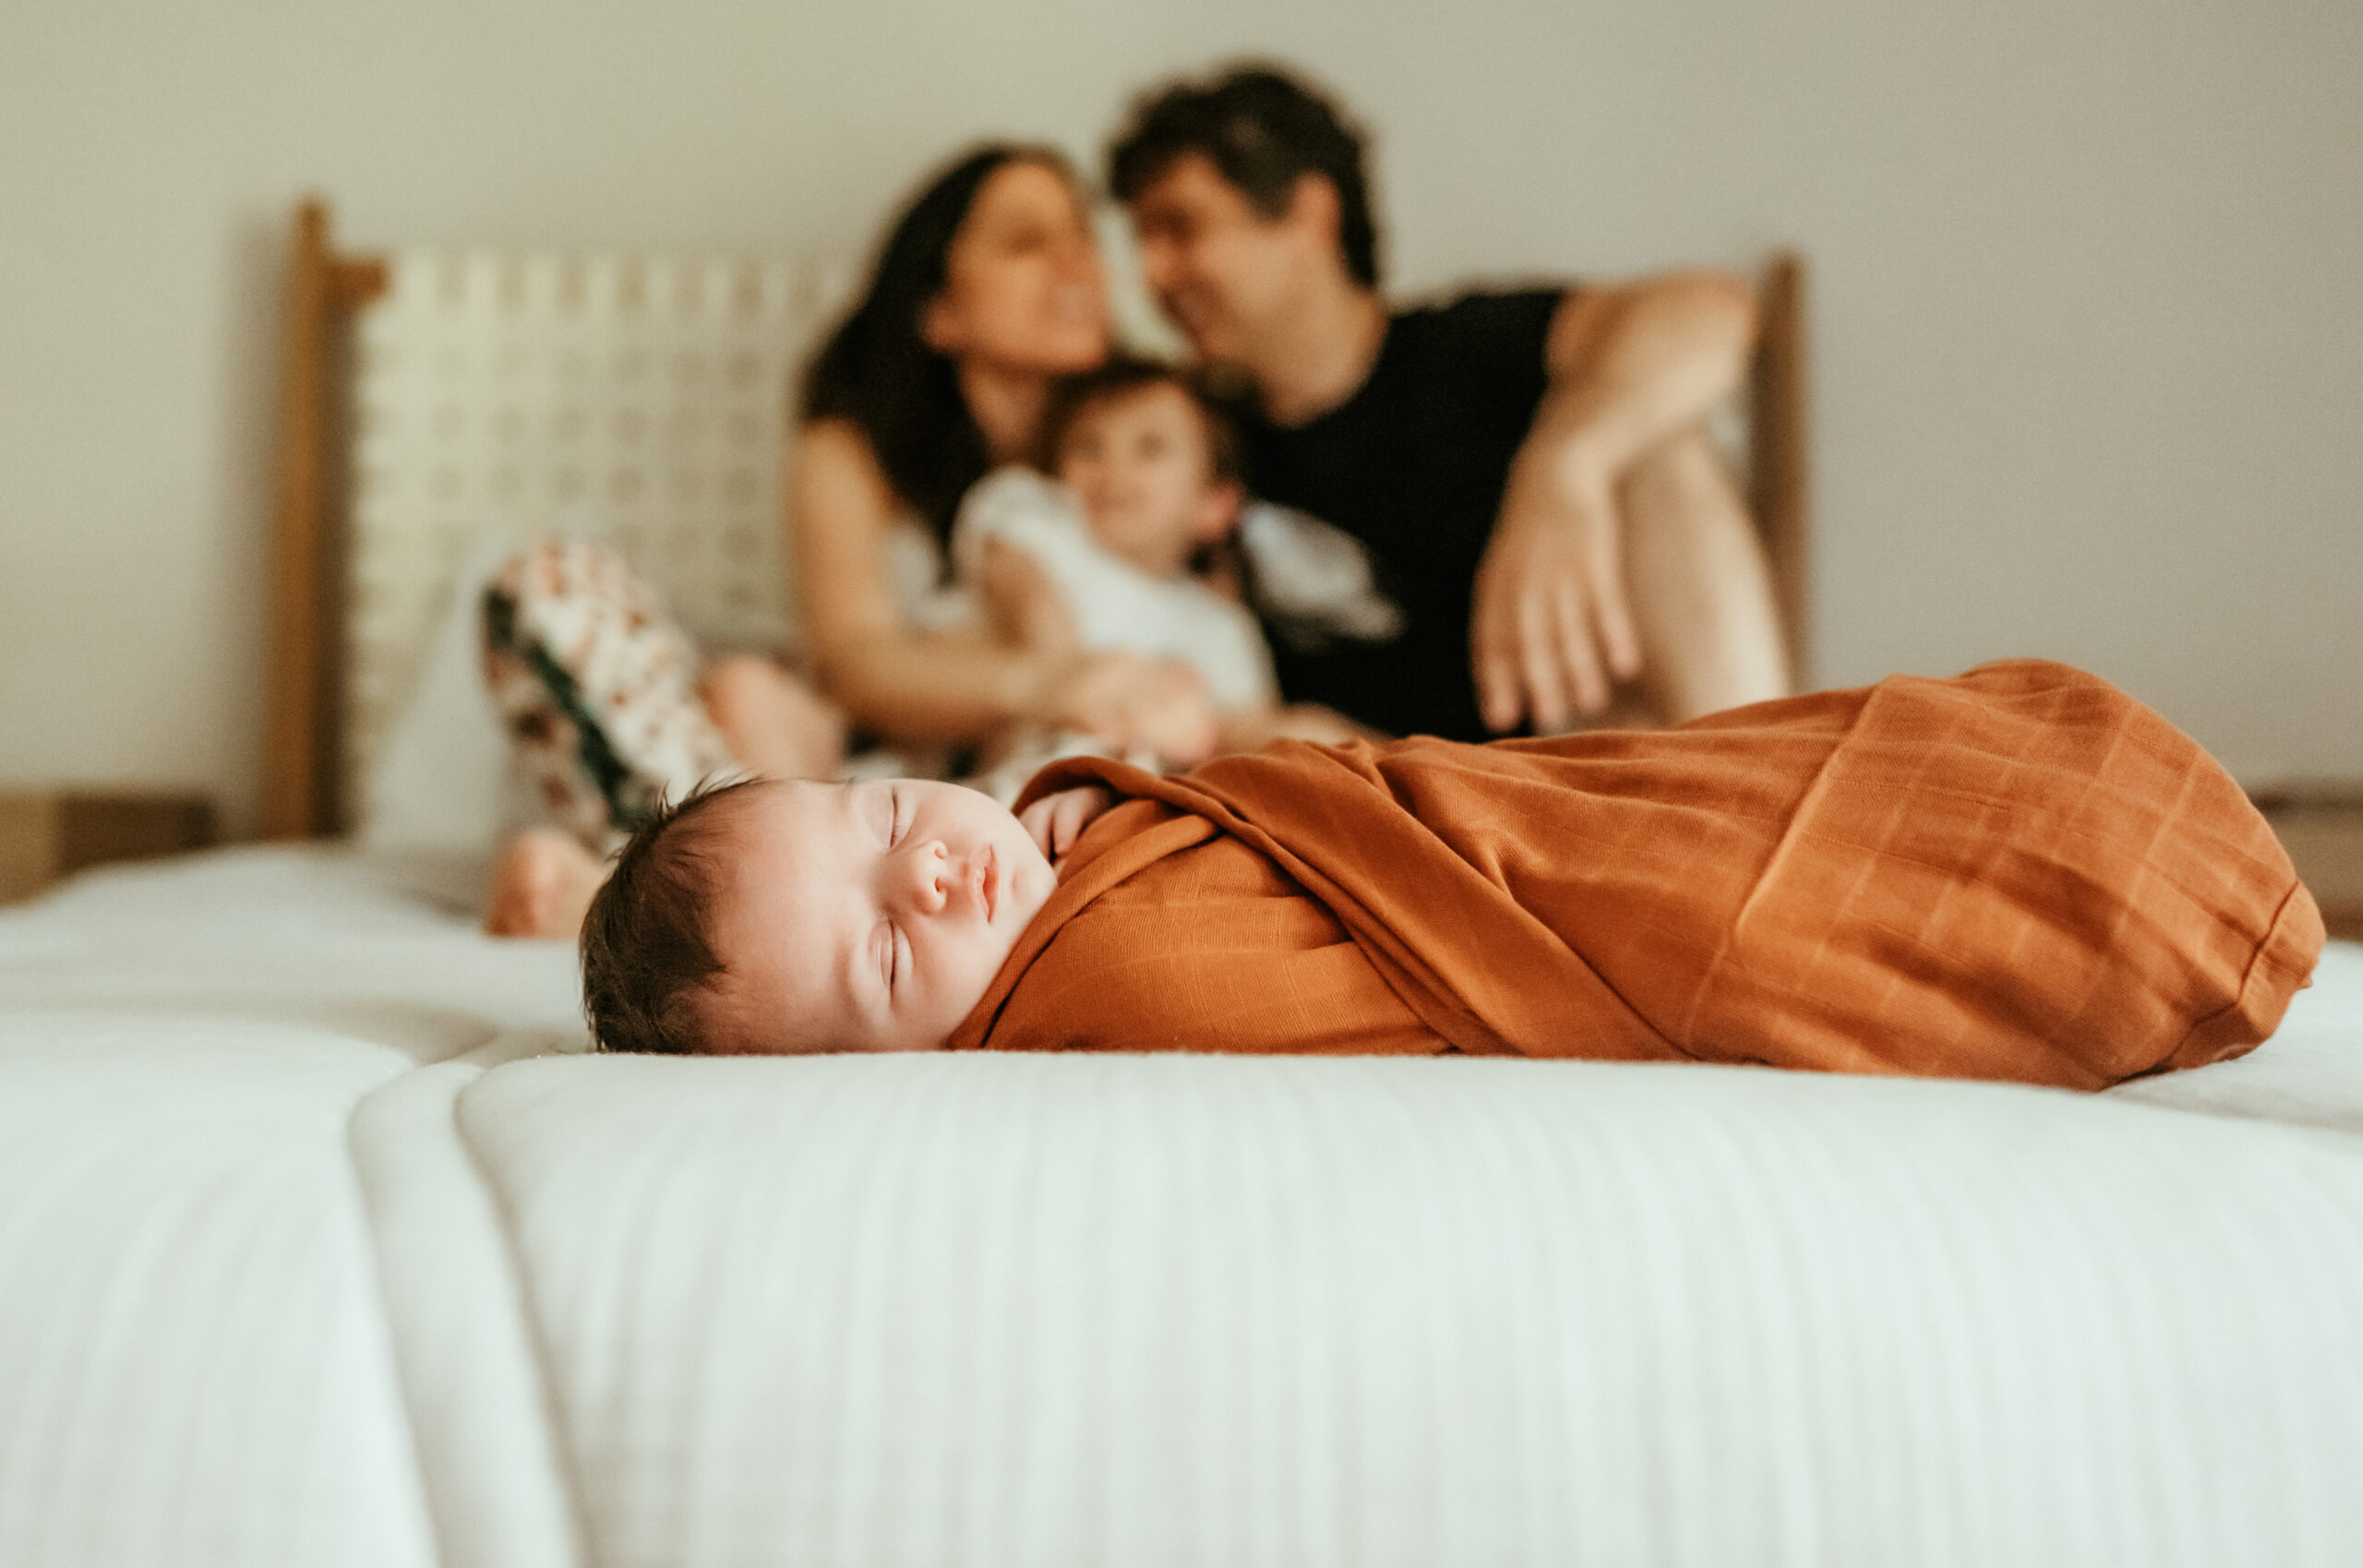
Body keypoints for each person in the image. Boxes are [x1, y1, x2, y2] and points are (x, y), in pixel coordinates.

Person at [577, 660, 2323, 1091]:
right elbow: (1266, 950)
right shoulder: (1106, 982)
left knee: (1718, 773)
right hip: (1532, 908)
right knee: (1762, 900)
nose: (933, 881)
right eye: (888, 963)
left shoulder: (1060, 833)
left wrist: (1089, 808)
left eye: (888, 818)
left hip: (1499, 805)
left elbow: (1373, 805)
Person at [483, 144, 1226, 937]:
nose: (1075, 261)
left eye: (1081, 235)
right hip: (827, 775)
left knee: (1124, 732)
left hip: (999, 795)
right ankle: (690, 896)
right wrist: (1050, 679)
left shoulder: (1148, 450)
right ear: (938, 308)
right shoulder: (853, 451)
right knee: (558, 587)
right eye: (1025, 242)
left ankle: (709, 918)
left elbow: (1196, 647)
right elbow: (858, 667)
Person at [1107, 65, 1793, 742]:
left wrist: (1562, 467)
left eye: (1181, 228)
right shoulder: (1192, 432)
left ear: (1310, 214)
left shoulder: (1463, 349)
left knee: (1657, 438)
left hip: (1564, 769)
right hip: (1371, 801)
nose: (1153, 276)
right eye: (1144, 241)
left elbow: (1714, 312)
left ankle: (1755, 787)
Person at [952, 355, 1364, 797]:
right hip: (1018, 775)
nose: (1114, 467)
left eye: (1149, 447)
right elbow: (1035, 617)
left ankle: (1405, 770)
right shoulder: (1041, 520)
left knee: (1305, 736)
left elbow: (1244, 727)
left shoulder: (1220, 623)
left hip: (1147, 796)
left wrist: (1299, 739)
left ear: (1214, 504)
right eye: (1088, 447)